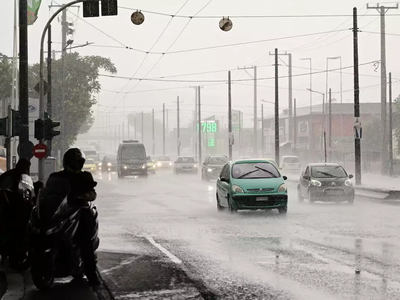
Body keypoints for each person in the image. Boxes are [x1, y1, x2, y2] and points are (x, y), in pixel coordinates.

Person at [47, 148, 100, 286]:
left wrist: (85, 196)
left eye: (78, 162)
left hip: (79, 210)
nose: (76, 165)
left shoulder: (85, 176)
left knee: (85, 240)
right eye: (73, 162)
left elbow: (92, 193)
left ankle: (92, 274)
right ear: (66, 162)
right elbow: (48, 191)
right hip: (60, 211)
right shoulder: (57, 176)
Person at [0, 158, 33, 268]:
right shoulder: (10, 176)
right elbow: (3, 190)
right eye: (25, 167)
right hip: (9, 208)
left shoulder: (24, 178)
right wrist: (7, 202)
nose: (26, 170)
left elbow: (28, 190)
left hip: (20, 207)